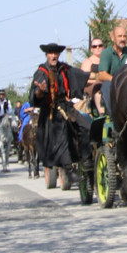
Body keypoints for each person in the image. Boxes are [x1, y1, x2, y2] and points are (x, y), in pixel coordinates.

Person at [29, 43, 91, 182]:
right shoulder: (42, 72)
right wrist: (40, 91)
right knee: (61, 135)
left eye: (56, 53)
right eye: (51, 53)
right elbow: (36, 94)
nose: (54, 56)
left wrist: (99, 75)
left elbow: (80, 76)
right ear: (47, 55)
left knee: (86, 126)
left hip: (66, 106)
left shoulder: (64, 69)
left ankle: (86, 159)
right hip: (51, 111)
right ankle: (69, 171)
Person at [97, 25, 127, 119]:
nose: (123, 39)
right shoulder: (106, 53)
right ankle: (114, 118)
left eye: (124, 36)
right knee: (106, 86)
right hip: (113, 85)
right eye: (120, 36)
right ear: (113, 38)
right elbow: (102, 75)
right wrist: (118, 80)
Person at [81, 38, 105, 114]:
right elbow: (84, 79)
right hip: (92, 87)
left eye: (100, 45)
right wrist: (97, 79)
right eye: (95, 46)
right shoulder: (88, 62)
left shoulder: (107, 60)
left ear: (103, 47)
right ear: (91, 49)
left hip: (106, 84)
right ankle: (101, 112)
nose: (97, 48)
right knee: (98, 89)